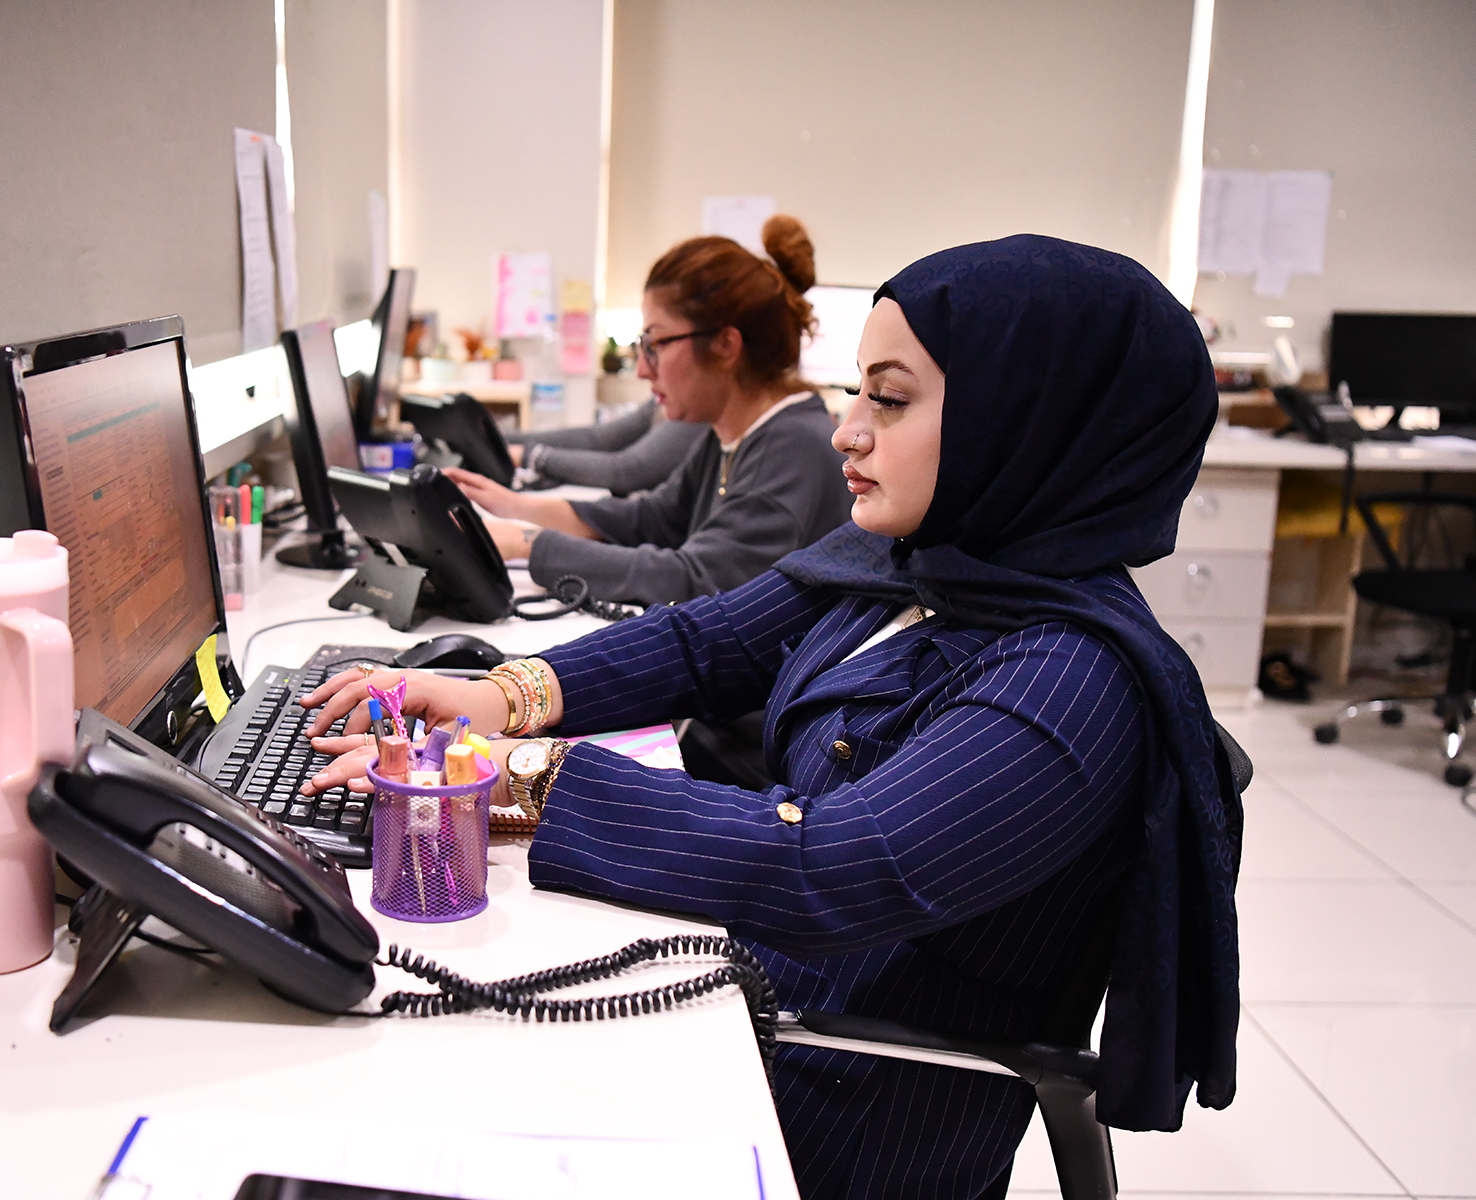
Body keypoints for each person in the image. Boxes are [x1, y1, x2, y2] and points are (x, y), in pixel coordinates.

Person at [299, 235, 1243, 1200]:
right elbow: (705, 642)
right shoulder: (919, 560)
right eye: (857, 392)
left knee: (390, 1101)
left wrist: (509, 776)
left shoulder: (1069, 685)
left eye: (891, 399)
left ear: (1026, 423)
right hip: (753, 995)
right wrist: (500, 694)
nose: (847, 431)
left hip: (840, 1103)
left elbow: (827, 865)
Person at [450, 215, 850, 605]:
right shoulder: (731, 433)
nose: (642, 368)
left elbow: (697, 579)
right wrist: (515, 506)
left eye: (655, 344)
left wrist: (527, 543)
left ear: (726, 346)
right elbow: (652, 519)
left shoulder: (791, 447)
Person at [506, 397, 709, 495]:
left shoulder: (699, 410)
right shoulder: (663, 400)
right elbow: (597, 438)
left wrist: (529, 456)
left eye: (658, 344)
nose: (642, 369)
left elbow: (628, 471)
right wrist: (502, 440)